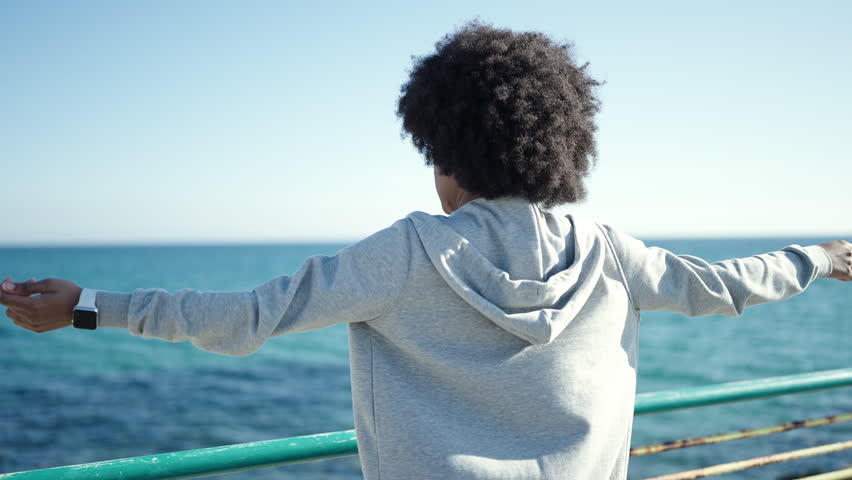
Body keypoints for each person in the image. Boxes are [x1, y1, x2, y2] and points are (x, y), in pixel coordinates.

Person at [2, 19, 851, 480]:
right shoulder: (609, 249)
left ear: (444, 151)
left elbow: (245, 315)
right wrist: (817, 256)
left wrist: (86, 307)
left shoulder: (407, 252)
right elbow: (725, 285)